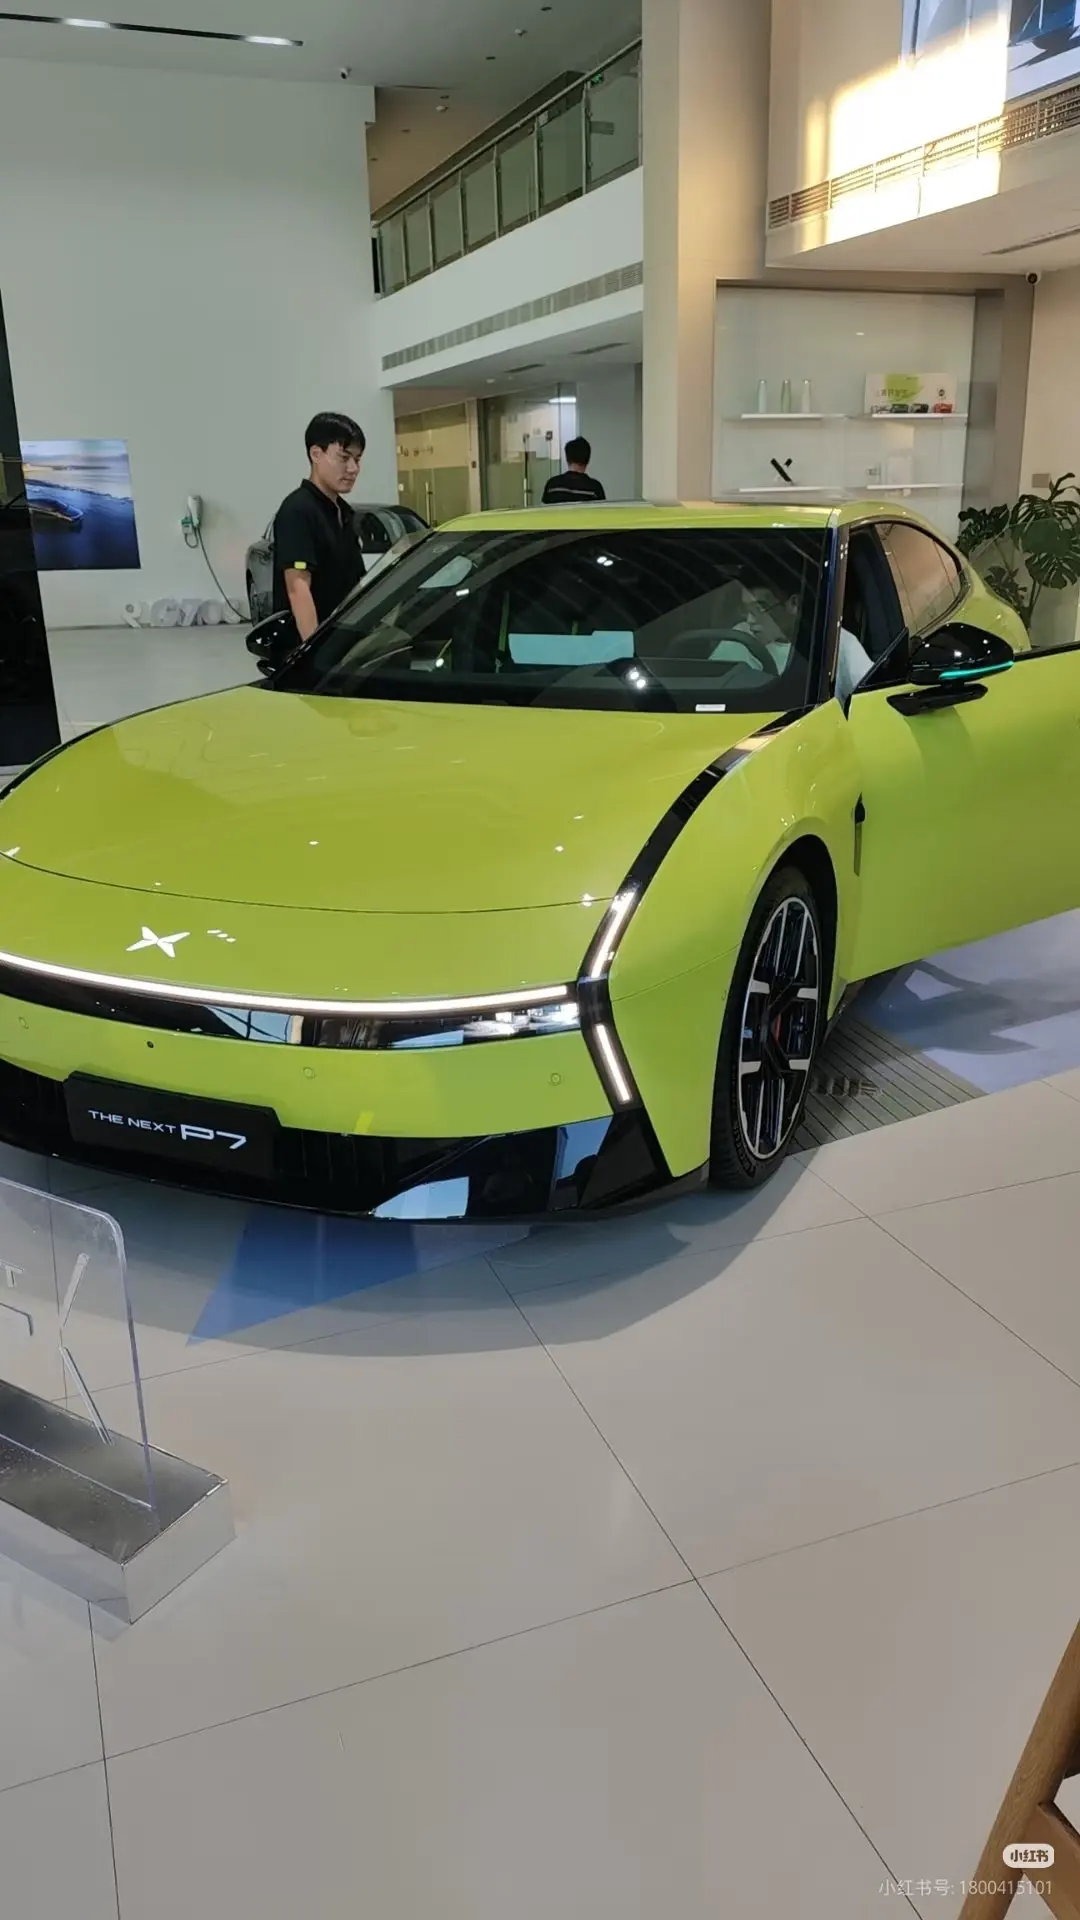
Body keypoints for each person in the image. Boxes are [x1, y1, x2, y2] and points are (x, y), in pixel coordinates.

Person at [272, 412, 367, 641]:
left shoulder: (344, 513)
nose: (353, 468)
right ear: (316, 454)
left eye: (357, 459)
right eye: (344, 458)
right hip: (309, 647)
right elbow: (298, 589)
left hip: (345, 642)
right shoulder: (298, 511)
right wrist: (313, 653)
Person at [542, 436, 606, 505]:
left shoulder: (552, 486)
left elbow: (543, 510)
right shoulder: (595, 488)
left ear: (567, 459)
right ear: (587, 460)